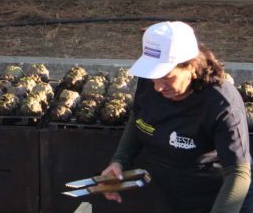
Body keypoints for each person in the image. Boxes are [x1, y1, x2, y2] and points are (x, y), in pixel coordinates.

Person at [101, 21, 253, 212]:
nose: (158, 86)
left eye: (167, 77)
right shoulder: (151, 83)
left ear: (191, 66)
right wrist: (119, 161)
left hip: (220, 201)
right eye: (154, 76)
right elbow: (140, 118)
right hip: (173, 196)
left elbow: (238, 173)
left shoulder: (221, 103)